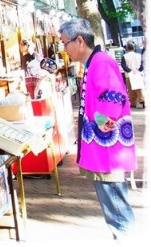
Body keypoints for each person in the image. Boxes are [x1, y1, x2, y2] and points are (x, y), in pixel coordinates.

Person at [59, 18, 136, 239]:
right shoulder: (95, 62)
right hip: (104, 151)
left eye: (65, 43)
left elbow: (111, 99)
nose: (64, 49)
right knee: (114, 206)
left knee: (117, 211)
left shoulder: (100, 62)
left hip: (108, 152)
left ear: (80, 41)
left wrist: (103, 121)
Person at [121, 41, 144, 109]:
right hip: (138, 74)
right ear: (134, 48)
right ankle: (142, 100)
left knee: (131, 90)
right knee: (139, 89)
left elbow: (123, 65)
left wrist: (130, 71)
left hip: (129, 75)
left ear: (127, 48)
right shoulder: (139, 55)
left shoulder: (124, 56)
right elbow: (142, 65)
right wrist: (138, 70)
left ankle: (133, 103)